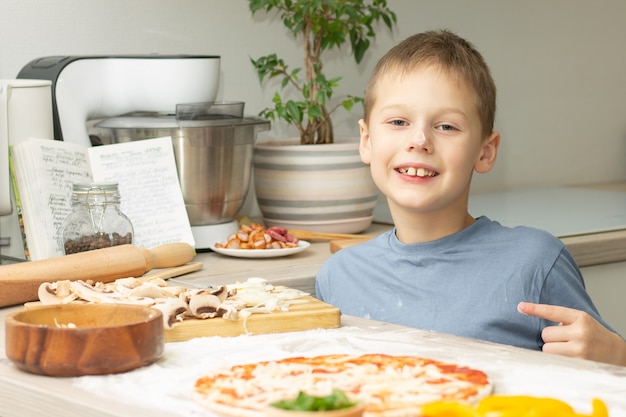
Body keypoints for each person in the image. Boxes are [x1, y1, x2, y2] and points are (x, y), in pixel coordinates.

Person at [315, 30, 626, 367]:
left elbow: (603, 381)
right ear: (366, 140)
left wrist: (618, 355)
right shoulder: (338, 277)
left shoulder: (535, 262)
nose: (419, 140)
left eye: (446, 127)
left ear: (485, 151)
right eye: (398, 121)